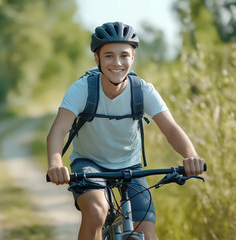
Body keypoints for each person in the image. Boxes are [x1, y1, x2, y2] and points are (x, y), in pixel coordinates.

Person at [46, 22, 205, 240]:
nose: (117, 63)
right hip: (89, 163)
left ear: (133, 57)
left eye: (124, 55)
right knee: (96, 211)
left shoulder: (142, 90)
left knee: (147, 232)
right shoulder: (82, 89)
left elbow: (171, 129)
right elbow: (58, 130)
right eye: (109, 55)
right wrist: (55, 163)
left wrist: (191, 155)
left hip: (130, 166)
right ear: (97, 58)